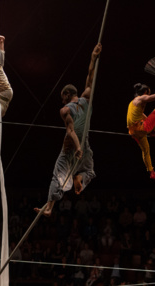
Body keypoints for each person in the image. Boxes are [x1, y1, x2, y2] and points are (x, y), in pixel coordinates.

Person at [35, 43, 102, 217]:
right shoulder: (87, 98)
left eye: (62, 98)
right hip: (85, 145)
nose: (62, 101)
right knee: (89, 171)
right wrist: (93, 57)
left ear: (66, 94)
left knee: (57, 174)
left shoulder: (65, 110)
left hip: (72, 147)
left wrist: (77, 147)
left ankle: (49, 208)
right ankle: (80, 179)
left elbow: (71, 131)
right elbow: (90, 77)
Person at [126, 81, 155, 179]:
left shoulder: (133, 104)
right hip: (141, 128)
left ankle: (151, 171)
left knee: (146, 150)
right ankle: (154, 132)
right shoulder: (141, 98)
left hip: (134, 132)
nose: (149, 96)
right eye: (148, 93)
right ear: (144, 93)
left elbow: (145, 118)